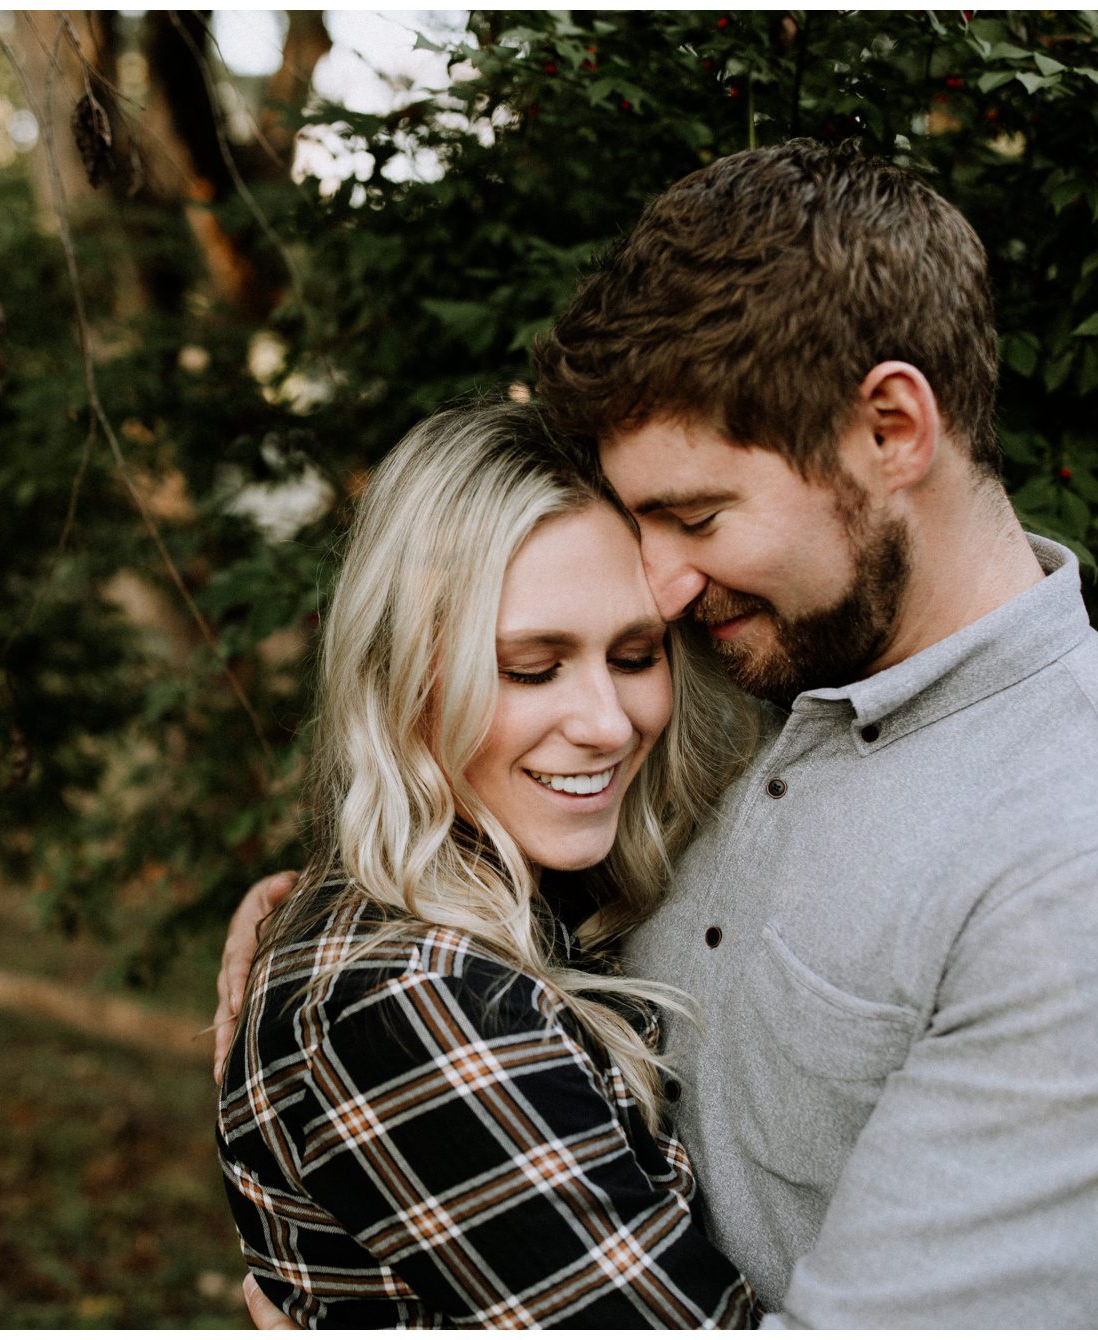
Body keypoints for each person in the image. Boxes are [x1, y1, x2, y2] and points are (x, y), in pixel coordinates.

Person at [215, 139, 1098, 1328]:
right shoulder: (752, 680)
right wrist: (336, 924)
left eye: (695, 516)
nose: (661, 588)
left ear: (890, 428)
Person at [216, 401, 766, 1326]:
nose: (608, 723)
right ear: (403, 677)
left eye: (636, 655)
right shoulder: (422, 1004)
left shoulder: (521, 900)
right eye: (531, 668)